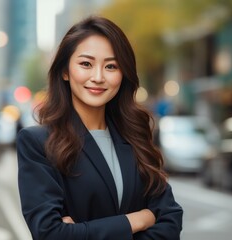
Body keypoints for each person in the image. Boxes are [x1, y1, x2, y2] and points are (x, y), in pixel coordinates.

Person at [17, 16, 183, 240]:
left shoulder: (136, 136)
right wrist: (137, 220)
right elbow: (51, 234)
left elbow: (170, 222)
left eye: (111, 66)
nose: (98, 77)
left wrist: (81, 231)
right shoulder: (38, 142)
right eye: (86, 64)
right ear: (65, 71)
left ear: (123, 74)